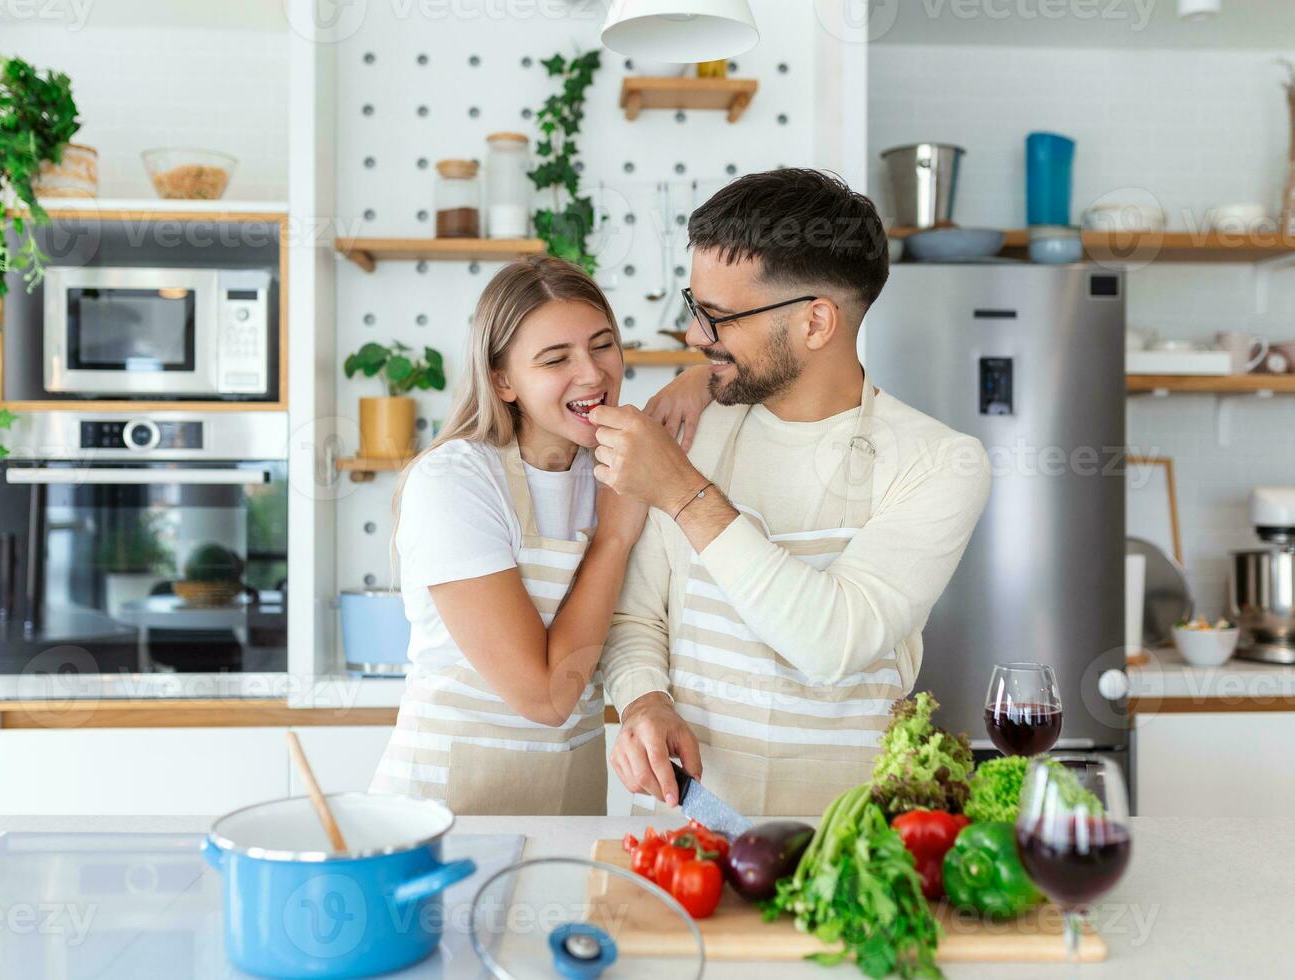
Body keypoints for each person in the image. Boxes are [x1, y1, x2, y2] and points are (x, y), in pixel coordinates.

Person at [591, 169, 993, 816]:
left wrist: (683, 493)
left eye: (717, 317)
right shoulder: (690, 432)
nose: (695, 337)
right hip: (687, 829)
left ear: (815, 323)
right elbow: (638, 618)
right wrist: (643, 696)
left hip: (848, 848)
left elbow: (833, 642)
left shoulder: (939, 463)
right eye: (696, 308)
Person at [368, 255, 710, 815]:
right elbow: (548, 697)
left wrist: (696, 379)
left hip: (568, 803)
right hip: (442, 814)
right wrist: (613, 538)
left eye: (602, 345)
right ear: (503, 380)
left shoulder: (612, 465)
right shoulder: (456, 480)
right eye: (556, 359)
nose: (593, 374)